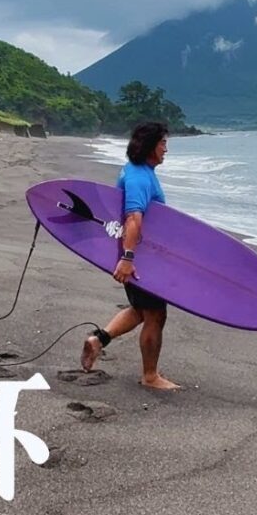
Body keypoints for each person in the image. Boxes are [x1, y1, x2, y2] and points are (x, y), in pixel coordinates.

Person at [80, 121, 181, 391]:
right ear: (149, 146)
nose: (166, 149)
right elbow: (133, 218)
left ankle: (99, 340)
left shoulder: (139, 171)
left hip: (140, 255)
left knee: (141, 310)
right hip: (139, 257)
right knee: (156, 314)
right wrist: (127, 258)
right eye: (163, 143)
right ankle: (150, 376)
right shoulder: (139, 177)